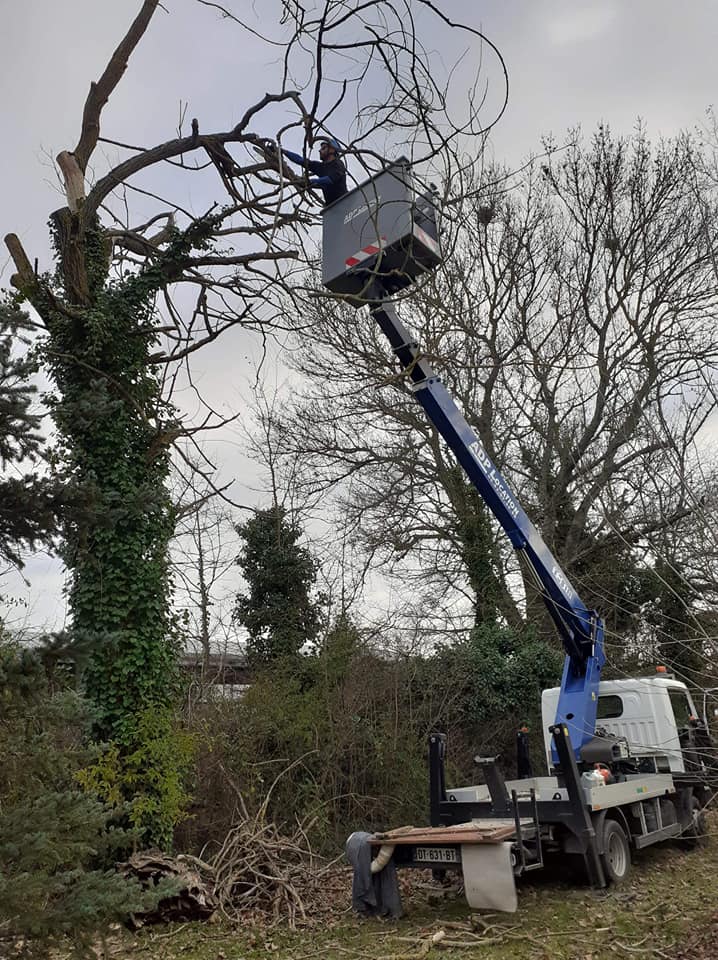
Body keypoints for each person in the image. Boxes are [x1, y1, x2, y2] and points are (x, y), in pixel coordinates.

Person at [279, 138, 348, 205]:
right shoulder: (321, 167)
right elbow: (300, 160)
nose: (320, 151)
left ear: (332, 150)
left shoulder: (338, 164)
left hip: (345, 201)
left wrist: (311, 181)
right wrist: (283, 151)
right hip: (331, 207)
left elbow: (330, 179)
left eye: (323, 148)